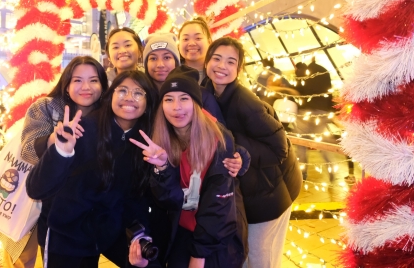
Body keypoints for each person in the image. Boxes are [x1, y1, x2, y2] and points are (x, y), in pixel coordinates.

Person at [26, 71, 160, 268]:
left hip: (106, 233)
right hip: (65, 238)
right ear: (111, 95)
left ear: (148, 102)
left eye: (138, 93)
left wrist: (140, 234)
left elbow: (136, 198)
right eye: (122, 90)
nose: (129, 97)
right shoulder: (82, 130)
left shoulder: (146, 141)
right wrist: (61, 151)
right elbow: (36, 189)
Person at [129, 67, 249, 268]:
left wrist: (198, 256)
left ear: (196, 104)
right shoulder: (161, 141)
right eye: (168, 99)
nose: (176, 107)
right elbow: (170, 200)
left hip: (219, 236)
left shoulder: (218, 139)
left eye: (184, 98)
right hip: (183, 230)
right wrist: (162, 168)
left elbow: (217, 206)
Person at [203, 37, 302, 268]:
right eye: (216, 58)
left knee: (259, 259)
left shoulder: (245, 101)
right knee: (244, 256)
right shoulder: (207, 93)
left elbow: (280, 148)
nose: (221, 66)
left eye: (230, 62)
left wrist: (240, 151)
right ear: (207, 62)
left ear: (238, 69)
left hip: (268, 195)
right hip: (247, 193)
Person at [13, 56, 108, 268]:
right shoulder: (47, 108)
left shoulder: (108, 116)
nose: (86, 87)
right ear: (66, 86)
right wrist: (53, 140)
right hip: (56, 218)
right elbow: (27, 151)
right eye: (77, 80)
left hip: (92, 217)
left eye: (94, 80)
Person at [143, 33, 224, 124]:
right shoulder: (141, 96)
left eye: (167, 57)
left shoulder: (200, 95)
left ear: (176, 62)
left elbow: (221, 134)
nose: (160, 64)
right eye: (153, 58)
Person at [293, 58, 339, 181]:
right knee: (323, 143)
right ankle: (332, 170)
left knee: (301, 143)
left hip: (305, 112)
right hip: (322, 111)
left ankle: (302, 174)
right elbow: (329, 93)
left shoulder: (302, 73)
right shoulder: (324, 71)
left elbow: (298, 91)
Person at [178, 17, 214, 85]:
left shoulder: (218, 72)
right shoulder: (170, 72)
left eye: (198, 38)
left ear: (209, 42)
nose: (191, 43)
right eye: (185, 39)